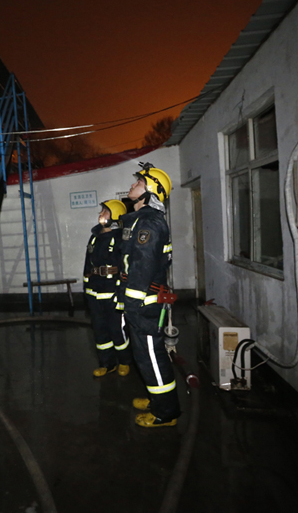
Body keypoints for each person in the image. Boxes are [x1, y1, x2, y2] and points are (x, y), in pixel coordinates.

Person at [120, 162, 180, 427]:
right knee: (144, 356)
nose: (133, 185)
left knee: (152, 357)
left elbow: (142, 268)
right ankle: (157, 399)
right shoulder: (141, 221)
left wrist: (131, 304)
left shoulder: (150, 224)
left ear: (150, 193)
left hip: (144, 303)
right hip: (142, 301)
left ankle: (166, 413)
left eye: (139, 183)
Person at [83, 200, 132, 377]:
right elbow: (87, 264)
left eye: (105, 211)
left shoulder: (121, 238)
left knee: (116, 329)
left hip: (112, 292)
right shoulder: (94, 236)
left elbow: (126, 267)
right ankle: (107, 363)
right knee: (99, 330)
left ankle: (124, 361)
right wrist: (86, 288)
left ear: (115, 216)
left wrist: (121, 293)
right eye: (102, 211)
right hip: (94, 292)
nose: (101, 214)